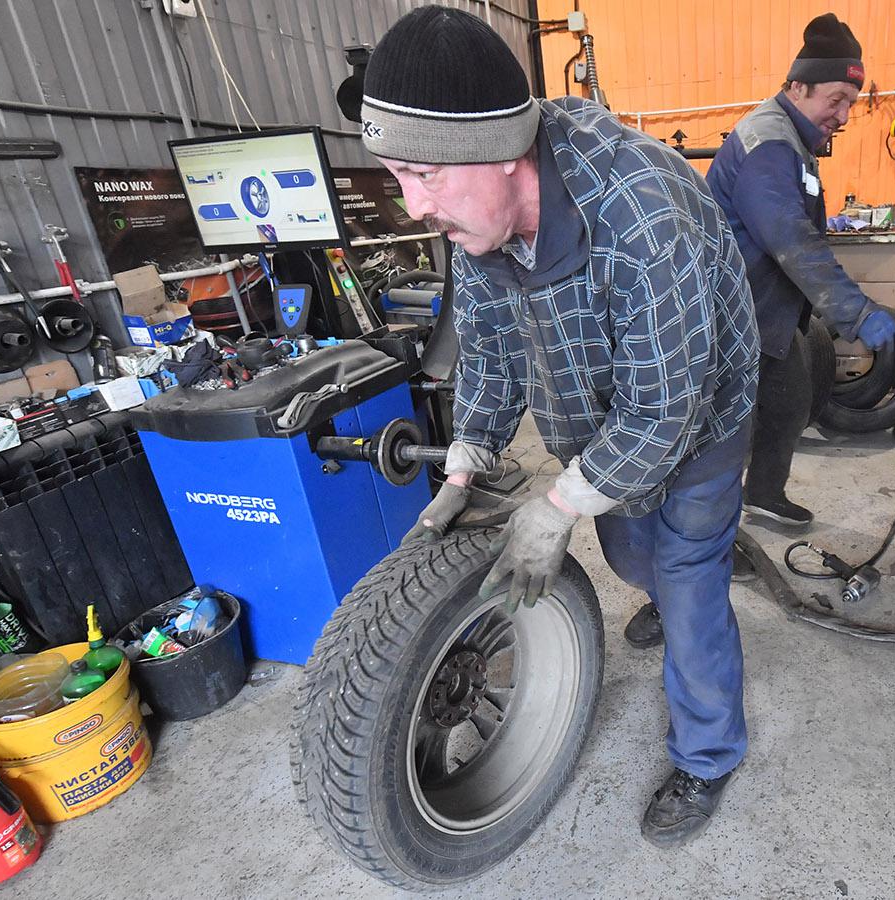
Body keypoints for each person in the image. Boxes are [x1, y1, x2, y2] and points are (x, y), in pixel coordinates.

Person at [361, 6, 758, 848]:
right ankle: (670, 583)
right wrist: (465, 462)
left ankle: (710, 753)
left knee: (687, 580)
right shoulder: (480, 222)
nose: (413, 206)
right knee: (629, 549)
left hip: (700, 413)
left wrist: (555, 503)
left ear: (504, 153)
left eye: (424, 175)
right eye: (397, 174)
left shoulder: (644, 216)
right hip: (597, 423)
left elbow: (663, 412)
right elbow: (494, 350)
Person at [623, 13, 895, 651]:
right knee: (703, 470)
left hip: (768, 320)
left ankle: (766, 494)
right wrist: (854, 312)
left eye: (852, 104)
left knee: (791, 399)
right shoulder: (770, 144)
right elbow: (788, 237)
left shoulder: (795, 142)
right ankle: (667, 599)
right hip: (726, 325)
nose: (843, 113)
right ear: (800, 87)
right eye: (837, 99)